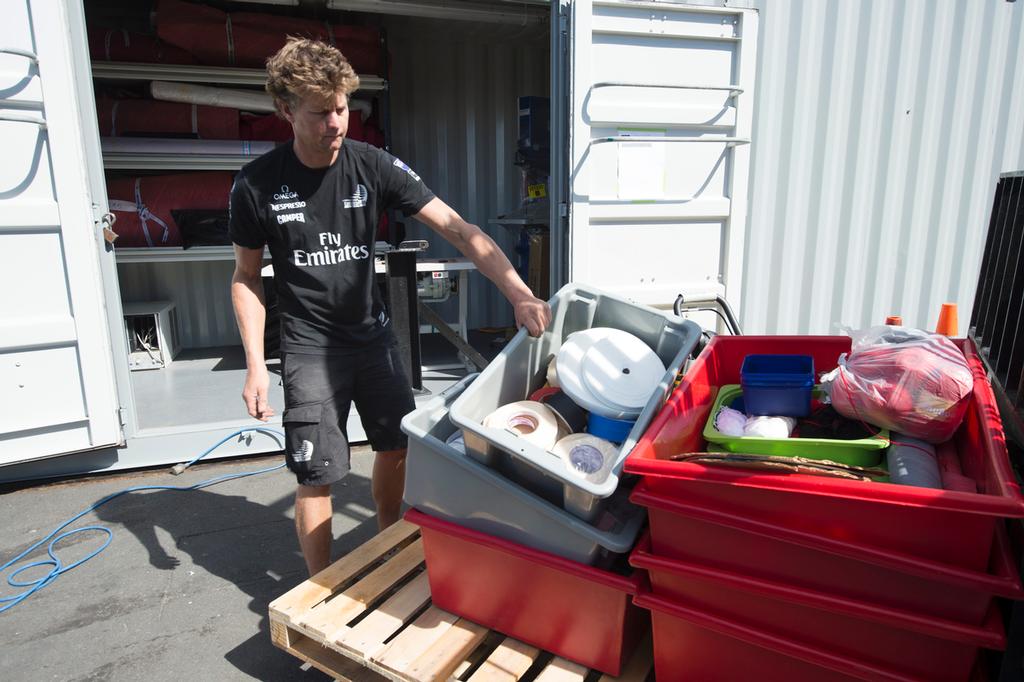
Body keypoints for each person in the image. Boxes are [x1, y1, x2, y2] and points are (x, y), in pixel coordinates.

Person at [229, 38, 551, 577]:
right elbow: (244, 277)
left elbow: (460, 230)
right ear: (285, 110)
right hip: (308, 349)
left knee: (397, 446)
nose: (336, 123)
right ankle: (320, 588)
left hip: (370, 339)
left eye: (341, 108)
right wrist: (257, 366)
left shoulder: (372, 166)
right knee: (318, 474)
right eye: (320, 113)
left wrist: (518, 292)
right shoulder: (257, 185)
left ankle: (387, 548)